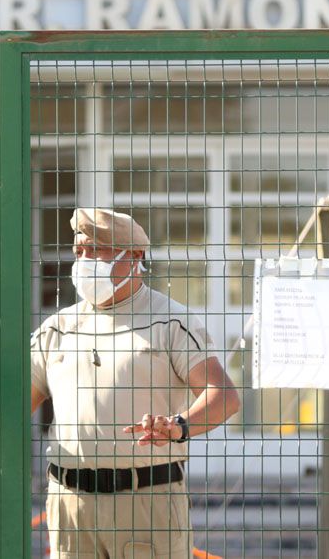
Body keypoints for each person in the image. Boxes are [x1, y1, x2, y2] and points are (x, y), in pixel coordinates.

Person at [30, 207, 241, 558]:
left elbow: (224, 396)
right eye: (79, 251)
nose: (84, 262)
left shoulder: (170, 321)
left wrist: (179, 426)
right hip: (70, 503)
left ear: (135, 256)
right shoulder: (58, 328)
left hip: (147, 500)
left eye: (96, 250)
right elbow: (11, 405)